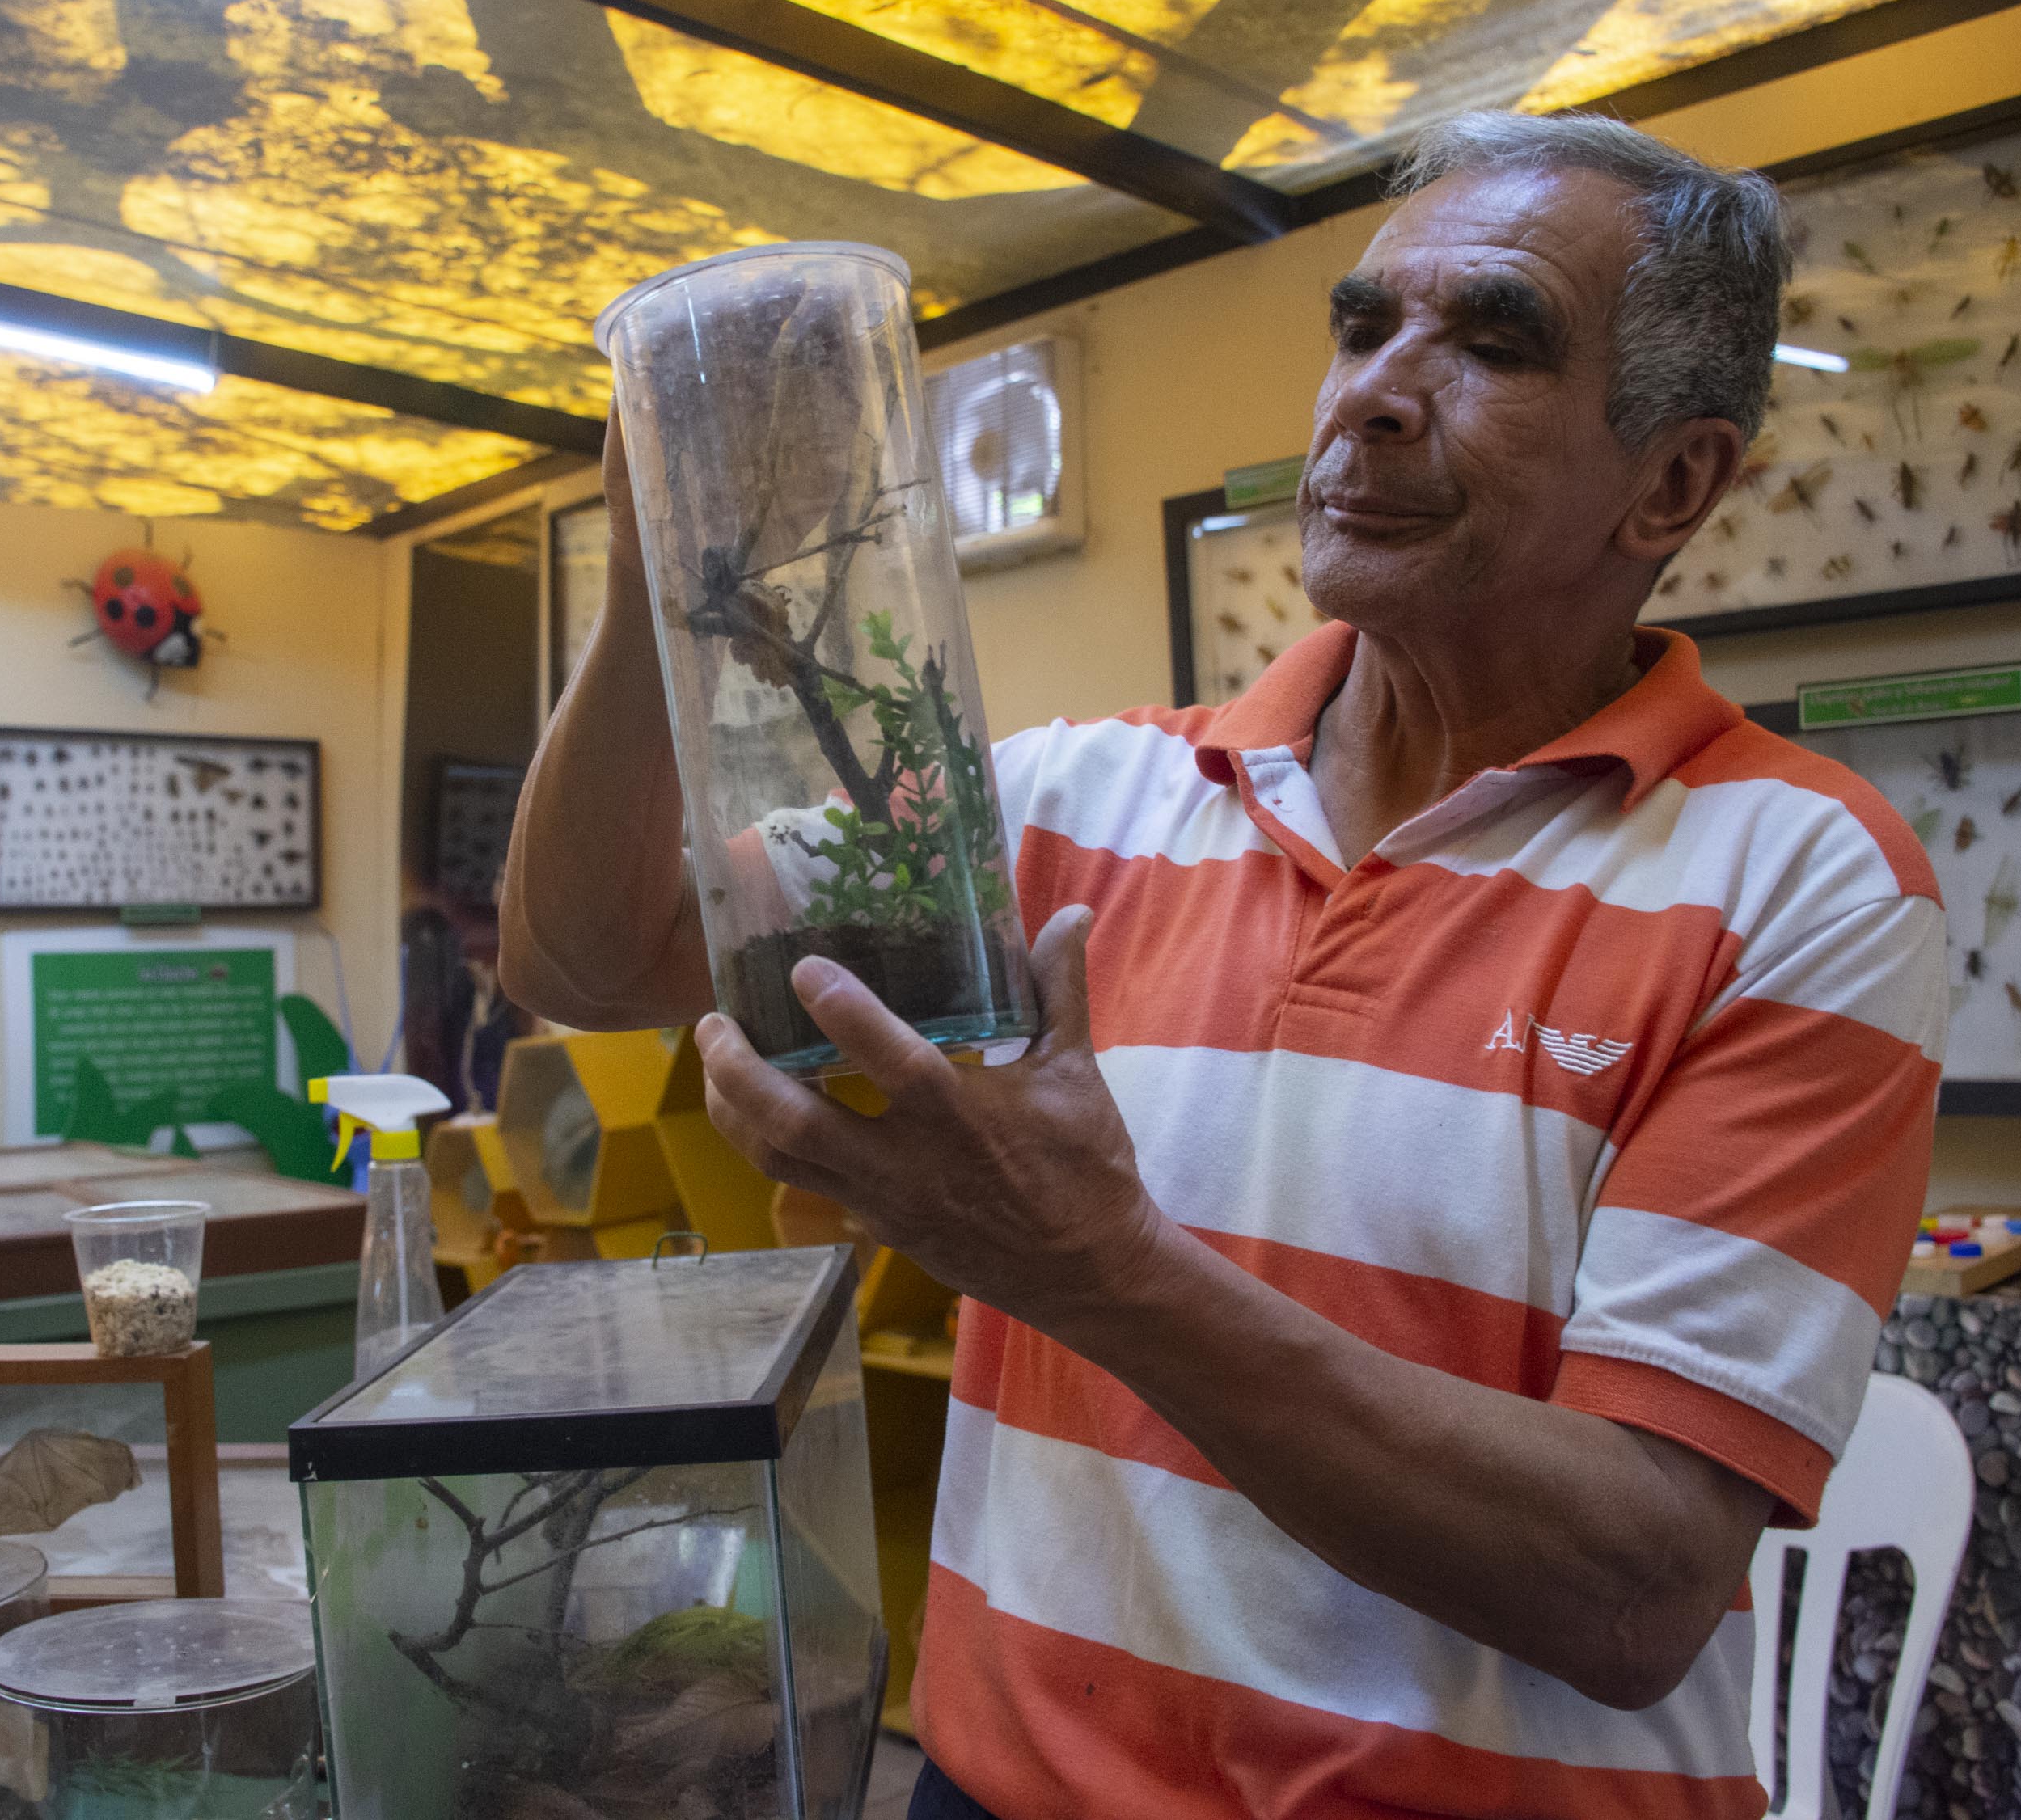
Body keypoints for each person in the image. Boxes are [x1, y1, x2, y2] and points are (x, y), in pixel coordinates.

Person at [501, 112, 1946, 1820]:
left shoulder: (1798, 876)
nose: (1376, 393)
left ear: (1674, 480)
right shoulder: (1065, 802)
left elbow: (1629, 1586)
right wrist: (660, 558)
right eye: (1360, 327)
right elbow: (593, 956)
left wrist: (1096, 1271)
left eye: (1491, 343)